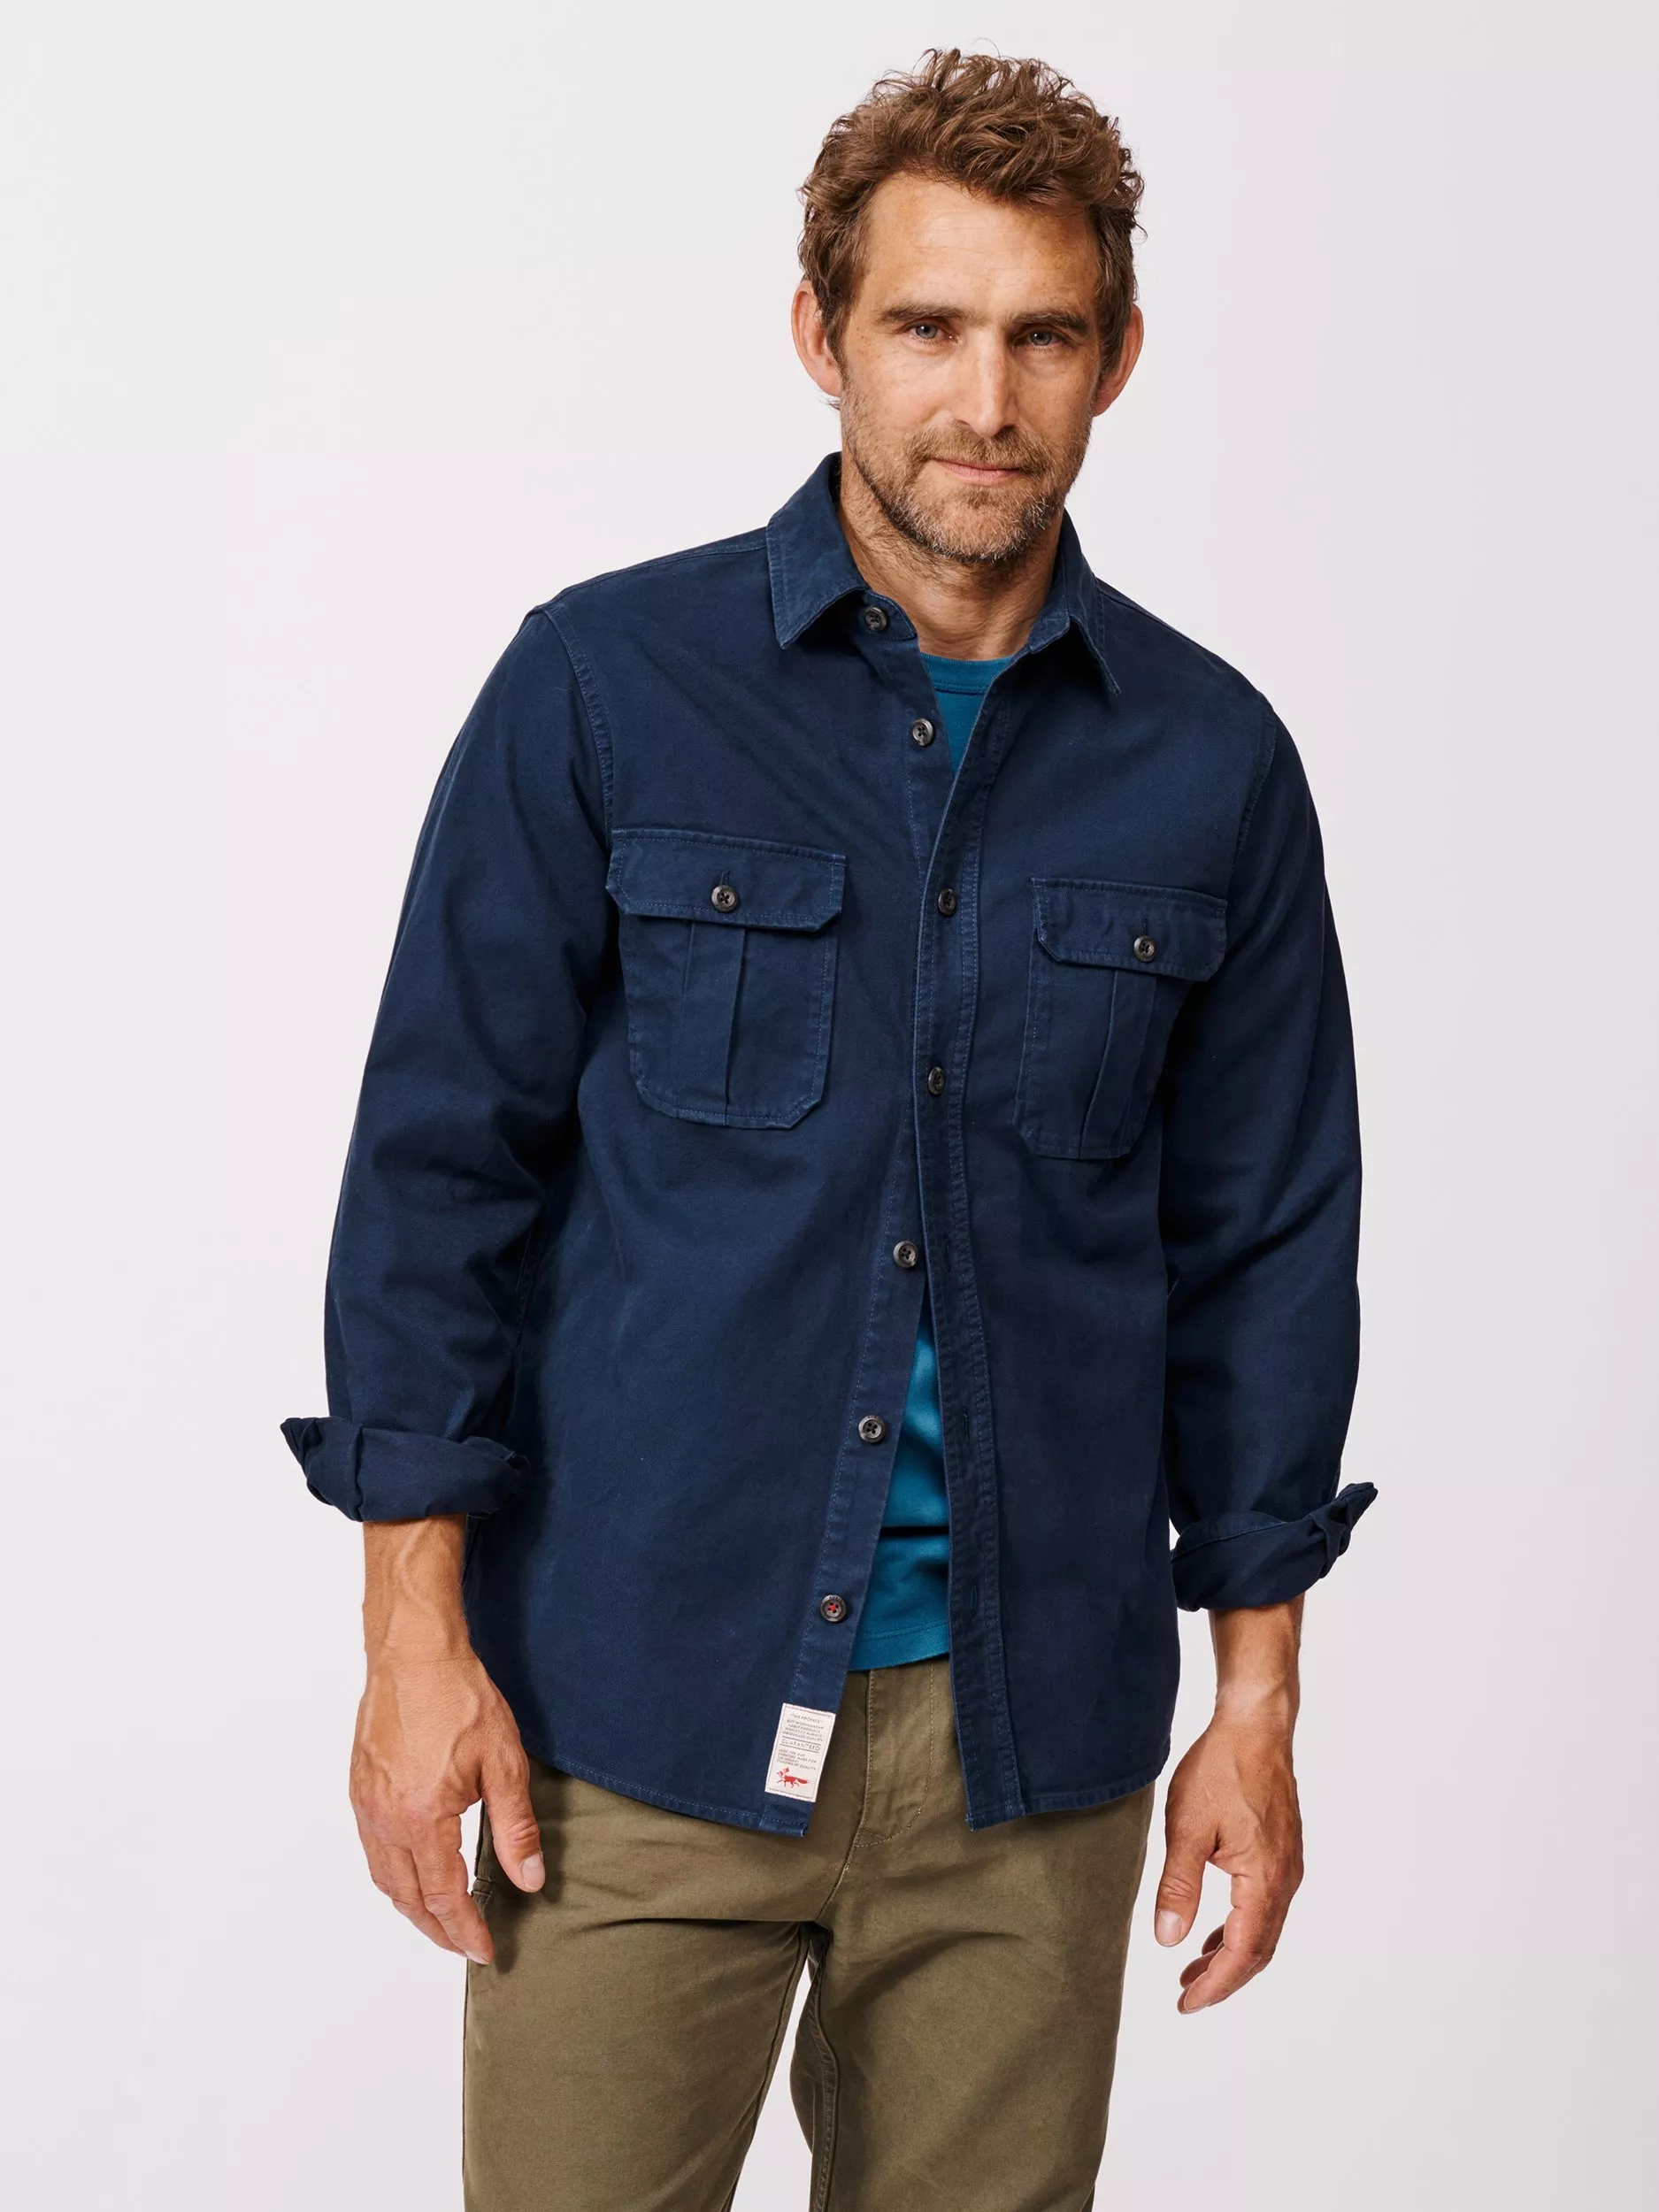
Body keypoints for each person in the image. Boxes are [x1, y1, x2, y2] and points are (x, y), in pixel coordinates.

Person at [282, 46, 1374, 2212]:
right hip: (632, 1713)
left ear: (1116, 358)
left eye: (1041, 335)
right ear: (821, 335)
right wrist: (411, 1646)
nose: (985, 397)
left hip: (1029, 1750)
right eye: (927, 326)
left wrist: (1253, 1708)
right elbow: (435, 1178)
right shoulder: (603, 686)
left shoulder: (1214, 763)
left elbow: (1265, 1251)